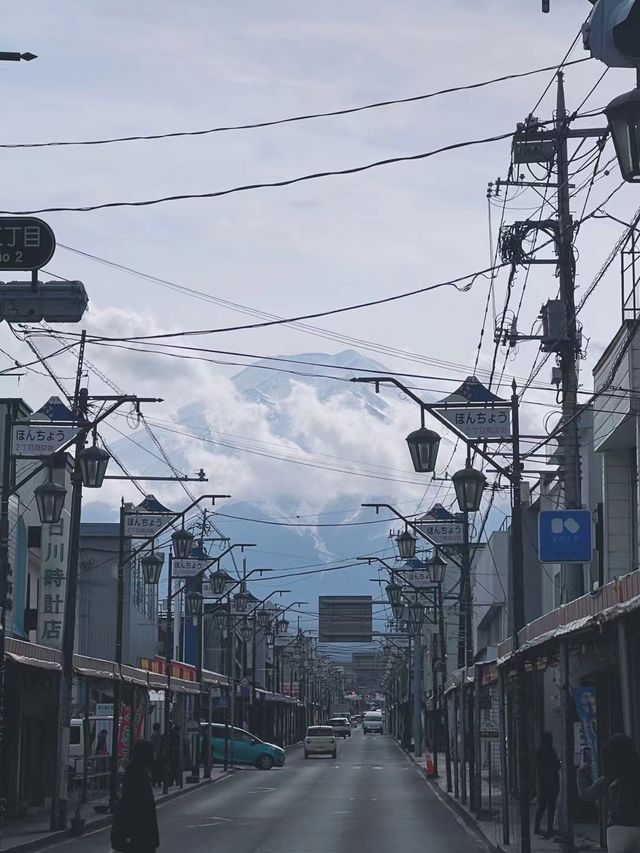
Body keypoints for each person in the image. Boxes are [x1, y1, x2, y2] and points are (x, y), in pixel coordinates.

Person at [578, 733, 640, 853]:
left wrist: (582, 771)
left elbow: (586, 795)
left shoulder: (607, 779)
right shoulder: (636, 776)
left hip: (617, 831)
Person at [111, 739, 159, 853]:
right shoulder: (136, 774)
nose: (153, 756)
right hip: (137, 835)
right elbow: (132, 807)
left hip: (142, 834)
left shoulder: (140, 772)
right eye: (151, 753)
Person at [534, 731, 561, 838]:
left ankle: (537, 826)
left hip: (543, 782)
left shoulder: (540, 751)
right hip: (552, 783)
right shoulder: (551, 751)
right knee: (551, 806)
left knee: (542, 805)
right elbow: (557, 766)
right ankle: (549, 828)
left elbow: (537, 767)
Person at [149, 723, 163, 787]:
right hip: (157, 754)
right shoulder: (158, 735)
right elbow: (158, 745)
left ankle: (154, 782)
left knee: (154, 769)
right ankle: (158, 782)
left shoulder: (151, 735)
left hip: (152, 754)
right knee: (158, 769)